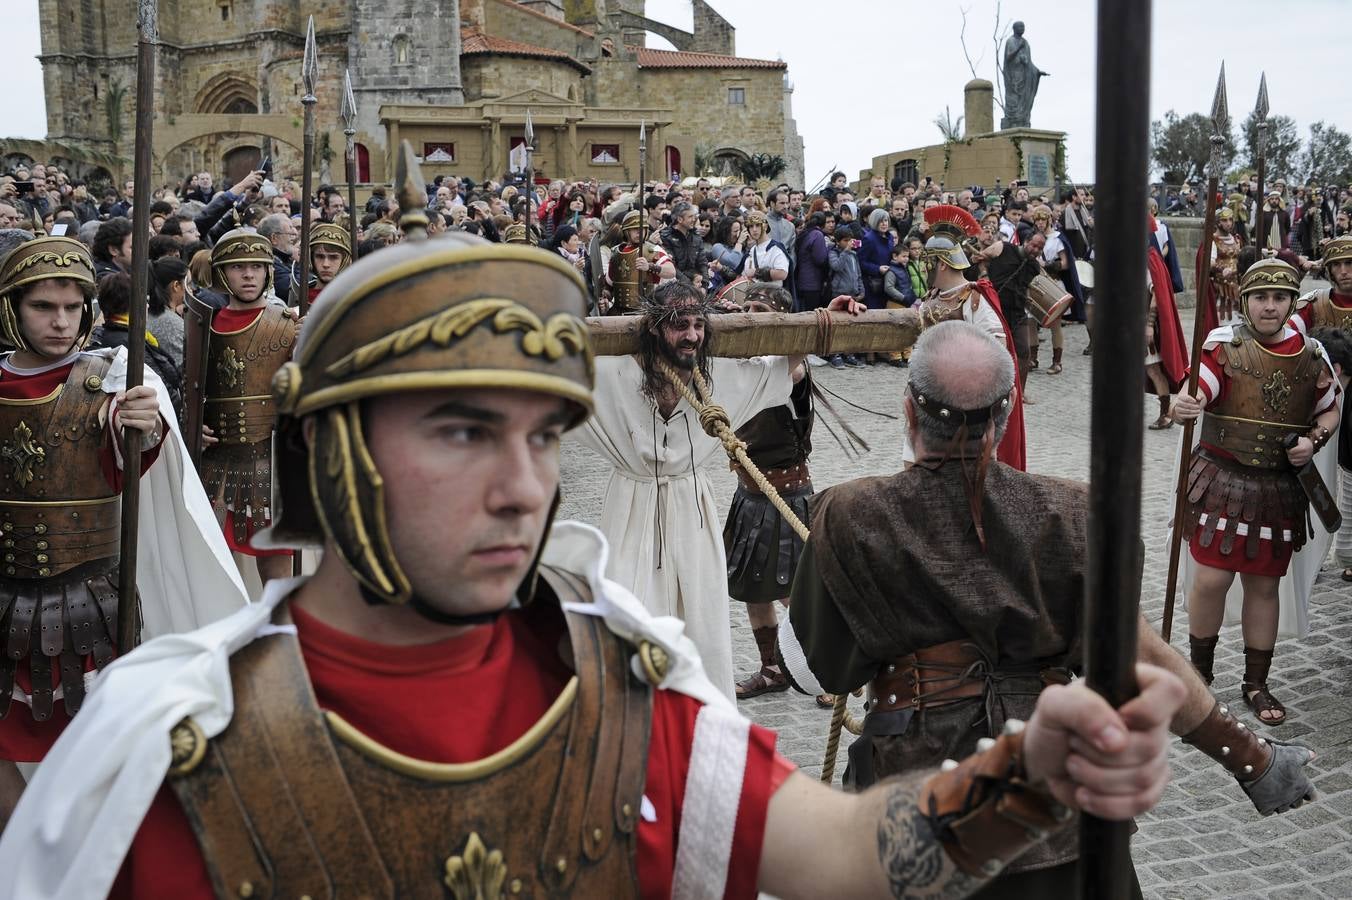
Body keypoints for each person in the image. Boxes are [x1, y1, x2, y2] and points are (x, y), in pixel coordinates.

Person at [0, 223, 1185, 900]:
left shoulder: (625, 692)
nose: (523, 484)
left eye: (544, 436)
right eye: (462, 430)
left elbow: (837, 856)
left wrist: (1027, 775)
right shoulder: (154, 750)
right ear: (332, 446)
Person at [780, 320, 1316, 897]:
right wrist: (1251, 757)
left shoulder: (849, 515)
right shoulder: (1080, 513)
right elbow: (1136, 658)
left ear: (908, 410)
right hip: (1061, 806)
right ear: (1006, 413)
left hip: (918, 816)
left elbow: (817, 672)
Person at [0, 237, 246, 831]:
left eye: (73, 306)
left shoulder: (113, 380)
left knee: (94, 746)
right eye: (43, 307)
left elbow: (132, 472)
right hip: (3, 600)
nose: (61, 322)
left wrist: (144, 427)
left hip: (90, 602)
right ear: (12, 309)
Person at [573, 282, 848, 699]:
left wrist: (827, 317)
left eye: (699, 324)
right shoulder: (611, 373)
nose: (692, 335)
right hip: (629, 511)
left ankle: (703, 717)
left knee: (701, 620)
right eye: (679, 324)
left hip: (693, 515)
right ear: (651, 328)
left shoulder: (718, 378)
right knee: (627, 618)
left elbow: (780, 367)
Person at [1171, 258, 1339, 725]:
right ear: (1245, 301)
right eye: (1261, 297)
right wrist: (1187, 403)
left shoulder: (1312, 355)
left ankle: (1256, 682)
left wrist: (1313, 441)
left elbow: (1329, 411)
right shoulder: (1223, 347)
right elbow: (1201, 389)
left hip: (1277, 488)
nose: (1270, 306)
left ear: (1291, 302)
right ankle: (1198, 672)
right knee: (1211, 580)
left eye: (1279, 297)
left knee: (1263, 587)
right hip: (1222, 480)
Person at [187, 229, 302, 586]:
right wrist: (192, 427)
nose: (249, 274)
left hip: (270, 460)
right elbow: (190, 387)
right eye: (238, 267)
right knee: (213, 566)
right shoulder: (201, 323)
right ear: (222, 271)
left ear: (269, 271)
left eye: (256, 266)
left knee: (276, 568)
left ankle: (279, 633)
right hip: (215, 459)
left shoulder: (288, 325)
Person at [721, 285, 817, 700]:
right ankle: (772, 668)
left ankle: (821, 668)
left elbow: (791, 362)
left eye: (760, 310)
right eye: (746, 309)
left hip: (786, 495)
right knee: (752, 587)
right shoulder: (743, 365)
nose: (750, 315)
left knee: (791, 592)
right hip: (750, 493)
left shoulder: (790, 368)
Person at [913, 204, 1026, 469]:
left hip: (964, 408)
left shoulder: (974, 300)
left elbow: (998, 354)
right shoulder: (932, 298)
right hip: (927, 400)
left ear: (940, 264)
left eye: (928, 260)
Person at [1289, 235, 1352, 580]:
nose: (1344, 272)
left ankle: (1349, 550)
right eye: (1337, 265)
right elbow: (1287, 338)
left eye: (1350, 264)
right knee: (1314, 477)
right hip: (1321, 399)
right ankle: (1308, 556)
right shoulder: (1314, 305)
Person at [1144, 216, 1188, 430]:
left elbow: (1155, 295)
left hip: (1143, 325)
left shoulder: (1149, 259)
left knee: (1153, 369)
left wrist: (1149, 324)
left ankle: (1166, 413)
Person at [605, 210, 673, 314]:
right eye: (635, 229)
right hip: (618, 310)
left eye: (642, 229)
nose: (639, 232)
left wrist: (650, 267)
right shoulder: (616, 252)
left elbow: (671, 272)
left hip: (646, 309)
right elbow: (609, 284)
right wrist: (605, 296)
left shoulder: (653, 250)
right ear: (626, 231)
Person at [1198, 205, 1243, 333]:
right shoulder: (1213, 240)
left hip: (1237, 287)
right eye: (1225, 220)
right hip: (1221, 289)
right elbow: (1209, 262)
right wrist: (1222, 268)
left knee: (1238, 326)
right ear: (1218, 222)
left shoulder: (1237, 239)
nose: (1229, 223)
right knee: (1222, 326)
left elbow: (1242, 258)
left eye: (1230, 220)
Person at [827, 227, 865, 368]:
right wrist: (845, 251)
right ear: (838, 242)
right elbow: (837, 266)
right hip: (839, 294)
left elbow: (858, 274)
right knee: (838, 326)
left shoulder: (854, 255)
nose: (849, 242)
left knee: (851, 326)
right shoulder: (833, 253)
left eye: (850, 240)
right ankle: (835, 354)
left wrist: (861, 290)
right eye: (845, 240)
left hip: (853, 295)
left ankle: (849, 353)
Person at [306, 221, 353, 306]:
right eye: (320, 256)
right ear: (311, 258)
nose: (326, 264)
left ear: (344, 260)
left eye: (333, 257)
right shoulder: (300, 294)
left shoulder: (352, 296)